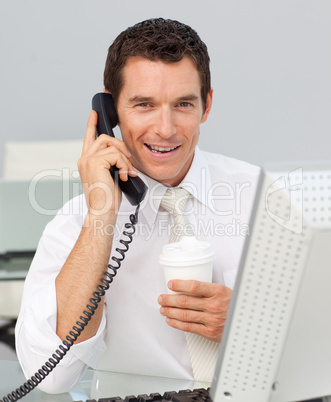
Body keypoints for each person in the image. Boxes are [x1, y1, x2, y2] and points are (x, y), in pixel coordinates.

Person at [15, 18, 260, 393]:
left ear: (206, 105)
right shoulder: (75, 223)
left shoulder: (259, 195)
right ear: (110, 111)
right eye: (144, 104)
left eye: (183, 104)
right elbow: (51, 378)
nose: (165, 128)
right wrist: (102, 213)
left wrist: (252, 323)